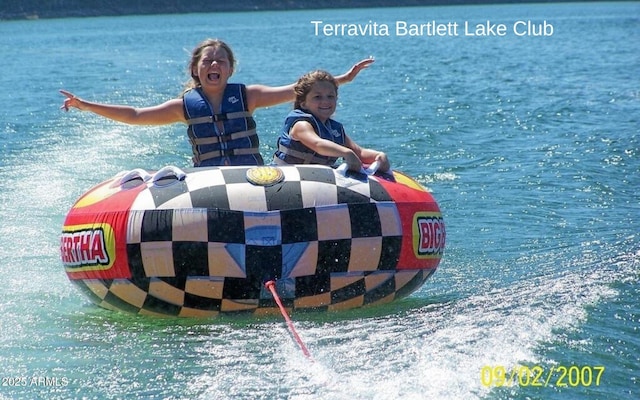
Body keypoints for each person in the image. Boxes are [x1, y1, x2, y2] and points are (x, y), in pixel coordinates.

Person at [60, 38, 374, 167]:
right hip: (209, 181)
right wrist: (86, 105)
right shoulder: (185, 106)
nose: (214, 65)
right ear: (196, 69)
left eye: (220, 61)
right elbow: (136, 115)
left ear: (230, 68)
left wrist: (342, 80)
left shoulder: (248, 96)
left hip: (251, 179)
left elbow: (299, 89)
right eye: (208, 61)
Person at [273, 70, 390, 173]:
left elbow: (359, 152)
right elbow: (318, 144)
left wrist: (377, 156)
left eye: (330, 96)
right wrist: (345, 153)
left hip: (316, 183)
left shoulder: (335, 130)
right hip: (287, 178)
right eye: (317, 97)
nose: (325, 101)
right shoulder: (301, 125)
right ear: (303, 103)